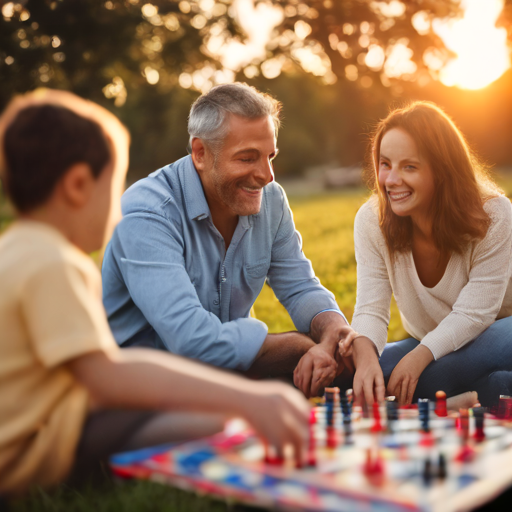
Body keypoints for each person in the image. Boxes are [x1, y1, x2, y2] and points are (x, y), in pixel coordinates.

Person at [0, 89, 311, 496]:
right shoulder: (55, 263)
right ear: (77, 186)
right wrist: (246, 400)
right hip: (28, 458)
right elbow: (109, 376)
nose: (118, 209)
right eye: (113, 188)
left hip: (52, 427)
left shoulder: (17, 250)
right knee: (222, 424)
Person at [101, 82, 357, 398]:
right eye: (248, 158)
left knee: (355, 368)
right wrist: (301, 346)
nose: (267, 175)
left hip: (229, 371)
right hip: (145, 388)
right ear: (200, 153)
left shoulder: (271, 200)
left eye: (270, 156)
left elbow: (299, 286)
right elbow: (192, 341)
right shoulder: (147, 211)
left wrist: (333, 332)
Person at [339, 101, 512, 408]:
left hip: (496, 334)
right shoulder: (371, 220)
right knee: (348, 372)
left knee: (421, 374)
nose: (391, 180)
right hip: (427, 342)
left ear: (442, 169)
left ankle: (453, 385)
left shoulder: (494, 214)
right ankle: (492, 388)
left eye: (409, 166)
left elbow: (475, 314)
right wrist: (365, 359)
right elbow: (371, 309)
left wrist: (418, 359)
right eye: (385, 163)